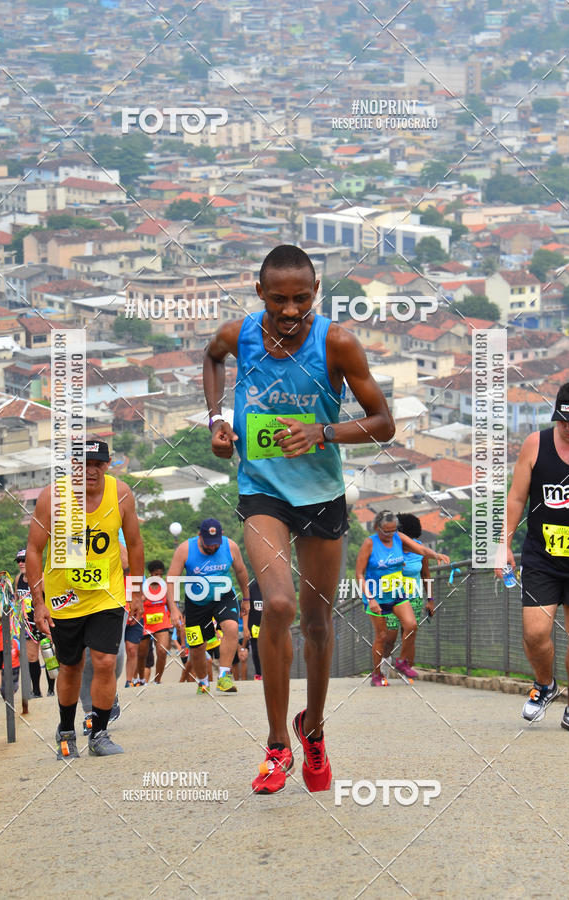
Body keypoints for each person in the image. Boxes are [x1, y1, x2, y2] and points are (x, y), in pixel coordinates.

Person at [203, 244, 395, 794]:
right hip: (263, 491)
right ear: (259, 292)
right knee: (279, 604)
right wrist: (216, 420)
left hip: (322, 496)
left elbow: (385, 423)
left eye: (302, 299)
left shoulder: (336, 343)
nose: (290, 310)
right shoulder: (238, 335)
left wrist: (324, 432)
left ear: (316, 294)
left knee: (316, 621)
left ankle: (312, 729)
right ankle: (275, 746)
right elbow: (212, 359)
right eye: (280, 299)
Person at [26, 438, 144, 759]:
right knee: (71, 665)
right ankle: (66, 731)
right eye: (83, 465)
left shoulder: (120, 494)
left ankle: (99, 732)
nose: (90, 471)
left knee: (105, 661)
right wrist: (39, 602)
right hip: (65, 597)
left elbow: (134, 544)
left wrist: (135, 590)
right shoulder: (52, 497)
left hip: (107, 593)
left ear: (108, 465)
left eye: (98, 464)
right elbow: (35, 550)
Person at [498, 382, 569, 730]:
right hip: (541, 557)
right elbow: (517, 498)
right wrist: (504, 542)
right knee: (535, 633)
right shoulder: (536, 444)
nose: (568, 427)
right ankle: (545, 684)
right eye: (563, 420)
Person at [356, 511, 449, 685]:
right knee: (382, 636)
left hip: (398, 593)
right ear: (377, 528)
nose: (390, 535)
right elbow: (359, 574)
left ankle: (402, 662)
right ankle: (377, 675)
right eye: (386, 532)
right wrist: (370, 599)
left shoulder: (398, 538)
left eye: (393, 531)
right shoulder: (370, 544)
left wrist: (435, 555)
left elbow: (420, 549)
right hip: (377, 595)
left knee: (411, 625)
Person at [167, 519, 249, 694]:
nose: (212, 548)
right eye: (208, 544)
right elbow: (171, 579)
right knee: (197, 647)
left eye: (216, 543)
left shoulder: (230, 546)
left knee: (232, 627)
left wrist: (246, 598)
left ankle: (224, 677)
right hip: (196, 602)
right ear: (200, 536)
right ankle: (203, 681)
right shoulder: (185, 549)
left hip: (223, 596)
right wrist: (173, 608)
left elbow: (241, 571)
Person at [373, 513, 437, 685]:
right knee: (389, 637)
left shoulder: (419, 550)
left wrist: (430, 599)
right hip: (392, 597)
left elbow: (426, 575)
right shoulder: (391, 548)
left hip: (414, 597)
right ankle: (384, 665)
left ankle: (405, 668)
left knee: (409, 635)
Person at [15, 549, 56, 698]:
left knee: (48, 654)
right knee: (32, 657)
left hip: (43, 622)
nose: (20, 563)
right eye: (18, 560)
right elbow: (16, 599)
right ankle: (36, 691)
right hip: (28, 625)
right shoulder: (18, 578)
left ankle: (51, 689)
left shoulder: (42, 578)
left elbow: (51, 600)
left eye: (23, 560)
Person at [137, 560, 181, 684]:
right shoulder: (143, 587)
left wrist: (176, 616)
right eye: (156, 574)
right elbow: (135, 602)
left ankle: (157, 680)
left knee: (162, 651)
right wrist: (143, 597)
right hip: (145, 622)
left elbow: (171, 604)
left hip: (161, 622)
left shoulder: (165, 588)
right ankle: (141, 679)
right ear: (150, 574)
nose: (159, 577)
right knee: (141, 654)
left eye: (161, 574)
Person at [248, 579, 263, 680]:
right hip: (255, 626)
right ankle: (258, 674)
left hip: (270, 625)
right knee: (256, 650)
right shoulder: (252, 586)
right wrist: (246, 627)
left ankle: (271, 673)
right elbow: (246, 609)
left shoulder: (274, 584)